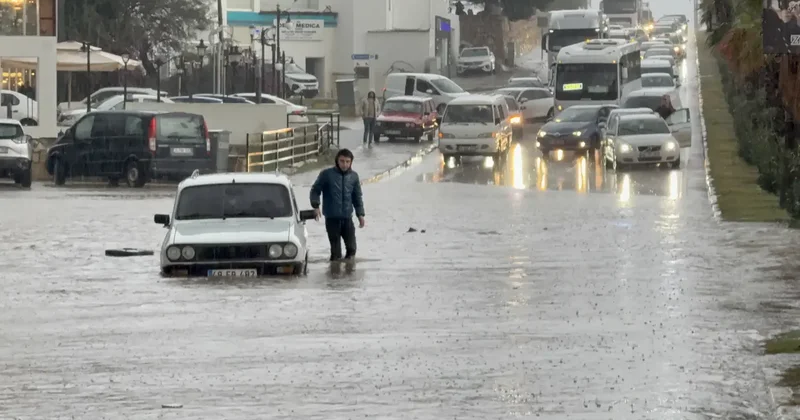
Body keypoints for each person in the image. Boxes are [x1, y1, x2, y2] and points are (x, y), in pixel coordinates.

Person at [310, 149, 366, 261]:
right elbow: (315, 190)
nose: (344, 164)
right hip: (332, 219)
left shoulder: (354, 177)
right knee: (336, 253)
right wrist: (316, 206)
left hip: (347, 218)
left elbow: (357, 197)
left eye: (347, 161)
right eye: (342, 161)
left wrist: (360, 215)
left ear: (351, 163)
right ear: (337, 161)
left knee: (351, 249)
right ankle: (334, 275)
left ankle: (349, 275)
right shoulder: (326, 174)